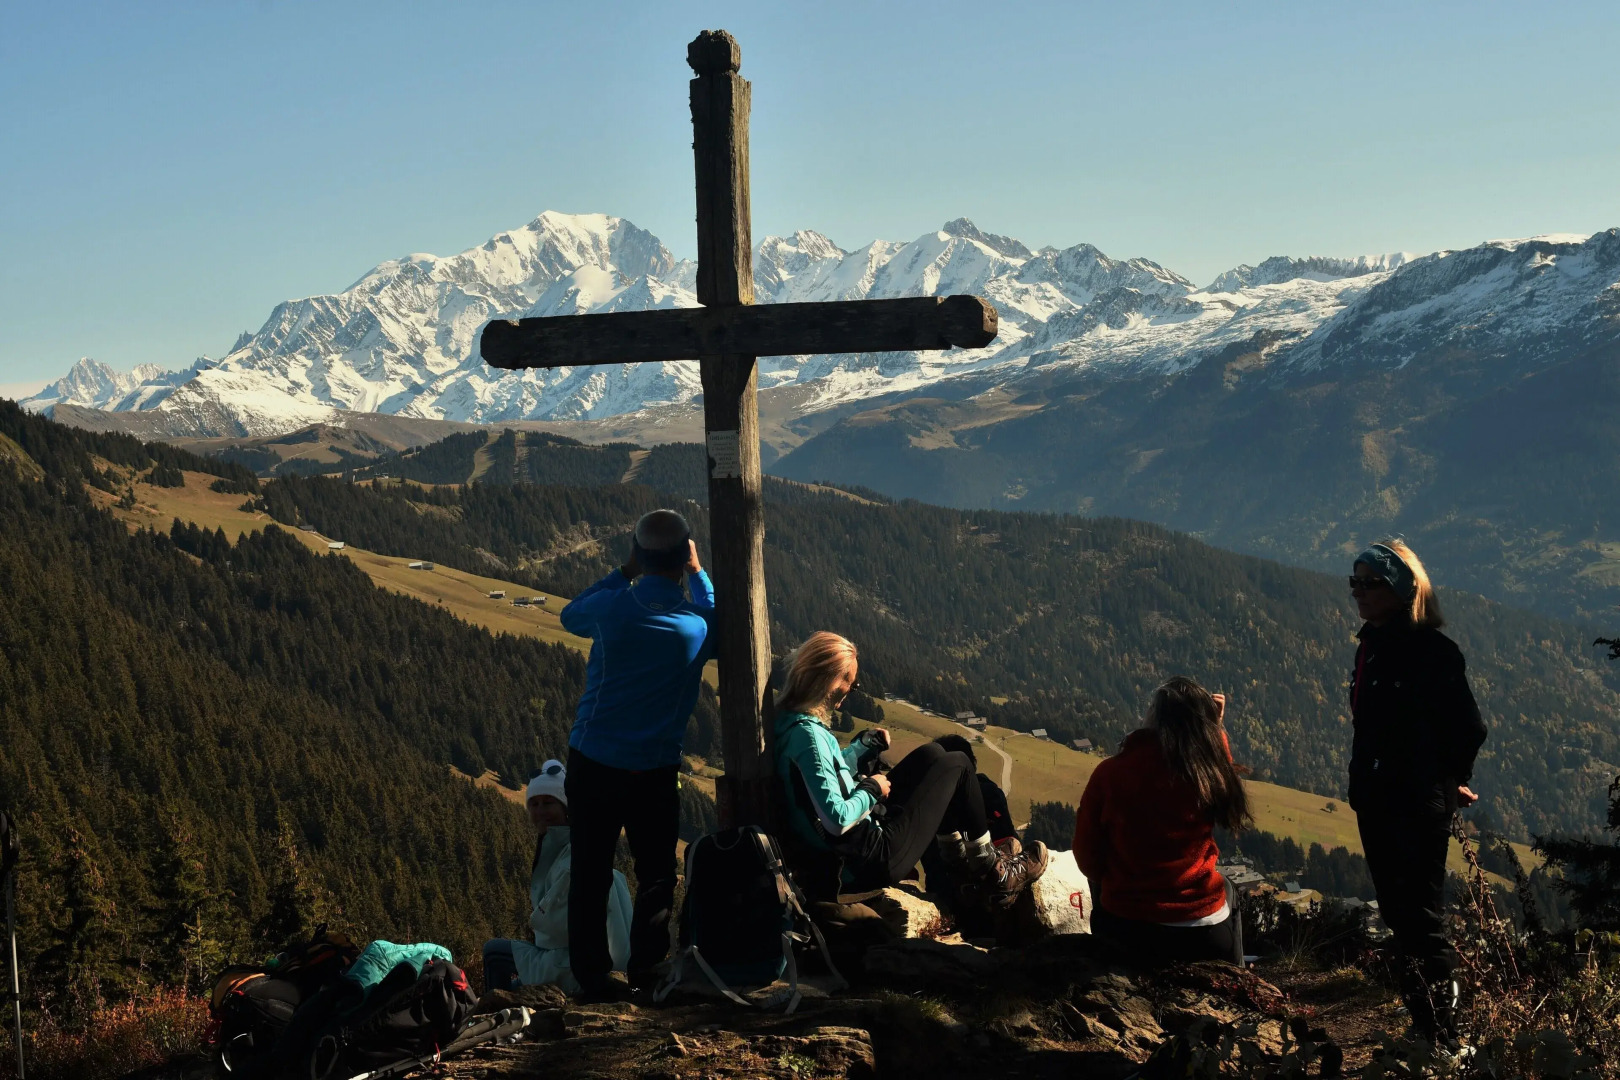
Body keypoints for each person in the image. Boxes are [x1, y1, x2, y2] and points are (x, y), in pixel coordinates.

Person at [558, 509, 715, 999]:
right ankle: (648, 969)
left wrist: (625, 570)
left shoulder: (612, 609)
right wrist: (699, 570)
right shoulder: (696, 627)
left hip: (593, 760)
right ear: (682, 557)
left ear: (640, 555)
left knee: (590, 870)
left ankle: (593, 977)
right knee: (656, 873)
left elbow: (571, 613)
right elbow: (715, 608)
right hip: (654, 767)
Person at [773, 631, 1049, 904]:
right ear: (831, 680)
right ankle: (993, 872)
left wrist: (863, 747)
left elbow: (826, 774)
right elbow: (837, 820)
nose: (852, 692)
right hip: (870, 859)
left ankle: (957, 861)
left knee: (932, 755)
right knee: (958, 763)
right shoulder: (808, 737)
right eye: (852, 684)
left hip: (855, 849)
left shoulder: (795, 725)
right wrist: (871, 788)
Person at [1348, 540, 1486, 1043]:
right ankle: (1424, 1027)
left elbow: (1468, 727)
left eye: (1371, 582)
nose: (1359, 592)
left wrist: (1450, 776)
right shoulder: (1371, 646)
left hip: (1413, 801)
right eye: (1355, 582)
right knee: (1399, 914)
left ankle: (1445, 1035)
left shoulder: (1432, 652)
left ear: (1401, 588)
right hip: (1376, 797)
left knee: (1421, 918)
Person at [1073, 676, 1250, 966]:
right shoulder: (1202, 775)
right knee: (1226, 887)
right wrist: (1215, 730)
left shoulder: (1110, 774)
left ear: (1152, 717)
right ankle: (1238, 979)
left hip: (1127, 933)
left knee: (1100, 885)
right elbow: (1224, 785)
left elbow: (1087, 861)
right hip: (1205, 937)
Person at [481, 761, 633, 996]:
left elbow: (552, 926)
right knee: (513, 983)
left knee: (493, 953)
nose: (540, 810)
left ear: (566, 808)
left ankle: (498, 1018)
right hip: (578, 959)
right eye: (534, 804)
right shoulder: (568, 846)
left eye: (548, 803)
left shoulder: (572, 856)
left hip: (575, 965)